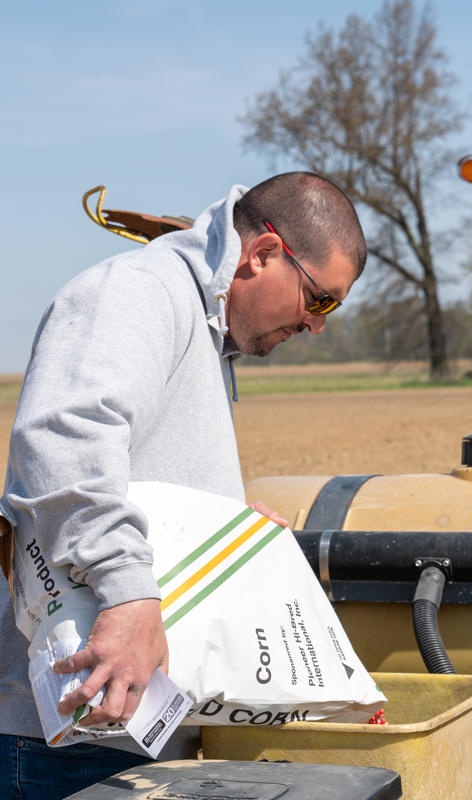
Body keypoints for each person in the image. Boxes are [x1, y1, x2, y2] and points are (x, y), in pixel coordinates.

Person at [0, 172, 367, 799]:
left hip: (139, 724)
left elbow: (135, 473)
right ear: (264, 255)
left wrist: (221, 520)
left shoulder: (208, 333)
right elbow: (64, 438)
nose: (317, 325)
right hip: (68, 733)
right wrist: (128, 595)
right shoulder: (137, 293)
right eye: (320, 299)